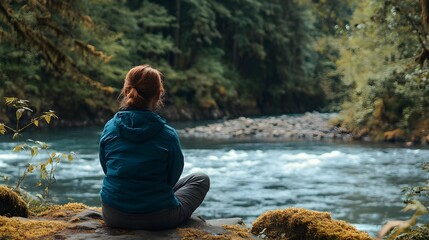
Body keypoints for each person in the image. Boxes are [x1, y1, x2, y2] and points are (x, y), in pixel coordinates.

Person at [99, 64, 210, 230]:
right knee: (201, 179)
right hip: (158, 218)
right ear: (159, 93)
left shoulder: (110, 127)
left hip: (113, 215)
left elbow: (106, 167)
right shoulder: (167, 135)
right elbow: (171, 178)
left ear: (126, 90)